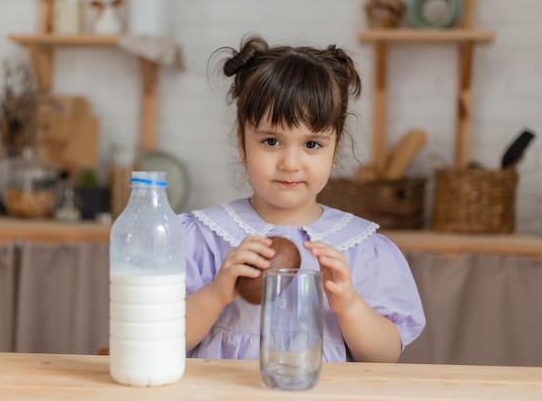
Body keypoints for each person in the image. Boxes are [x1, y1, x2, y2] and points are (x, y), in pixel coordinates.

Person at [179, 35, 425, 362]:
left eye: (312, 144)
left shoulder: (362, 249)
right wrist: (216, 293)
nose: (290, 163)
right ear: (242, 144)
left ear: (335, 149)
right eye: (271, 141)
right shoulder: (203, 238)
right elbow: (160, 340)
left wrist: (349, 304)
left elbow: (384, 358)